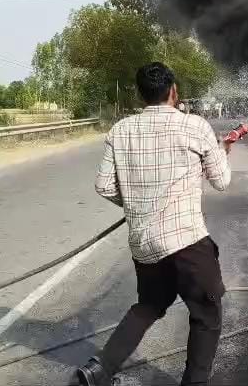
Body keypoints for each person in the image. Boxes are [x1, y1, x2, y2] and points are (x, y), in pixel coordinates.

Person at [77, 62, 232, 386]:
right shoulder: (195, 126)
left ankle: (99, 371)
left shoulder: (121, 130)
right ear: (173, 91)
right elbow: (221, 181)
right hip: (187, 242)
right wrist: (222, 151)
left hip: (145, 245)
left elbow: (104, 185)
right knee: (207, 313)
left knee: (149, 304)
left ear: (141, 94)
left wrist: (138, 204)